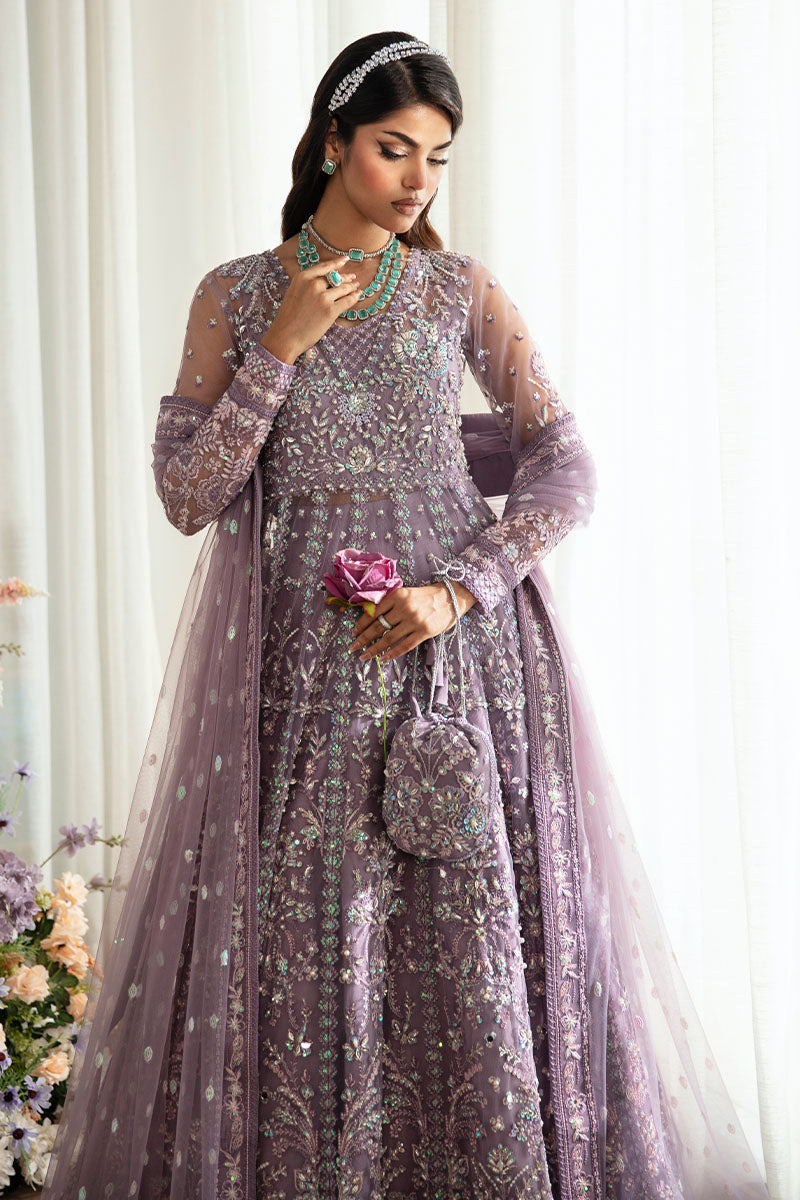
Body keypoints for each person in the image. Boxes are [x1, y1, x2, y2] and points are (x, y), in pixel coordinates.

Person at [41, 29, 770, 1200]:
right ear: (333, 142)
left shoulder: (455, 289)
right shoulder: (234, 296)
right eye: (393, 149)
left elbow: (565, 466)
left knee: (466, 933)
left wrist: (457, 587)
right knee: (312, 935)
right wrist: (279, 350)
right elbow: (188, 495)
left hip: (459, 661)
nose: (417, 179)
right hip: (302, 675)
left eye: (437, 156)